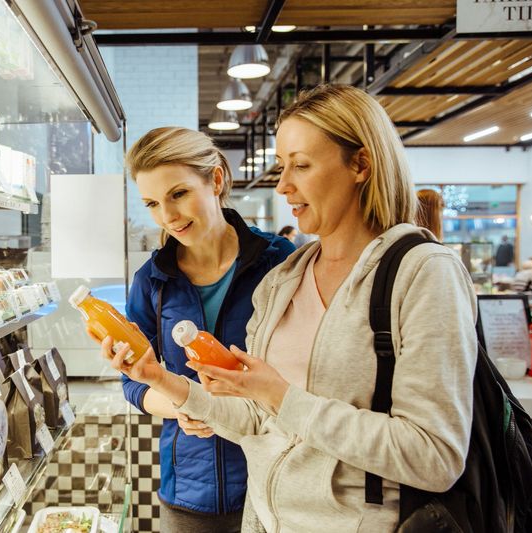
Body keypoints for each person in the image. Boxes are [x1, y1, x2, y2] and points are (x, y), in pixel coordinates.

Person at [101, 86, 477, 531]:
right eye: (282, 166)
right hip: (250, 512)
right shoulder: (288, 277)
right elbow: (258, 418)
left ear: (361, 164)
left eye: (300, 165)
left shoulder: (419, 272)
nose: (282, 185)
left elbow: (434, 456)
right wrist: (161, 380)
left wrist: (280, 395)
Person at [114, 127, 295, 532]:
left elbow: (308, 369)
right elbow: (133, 384)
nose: (168, 216)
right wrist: (182, 405)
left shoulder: (279, 262)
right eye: (152, 203)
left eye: (178, 194)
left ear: (215, 180)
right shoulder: (152, 281)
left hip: (274, 476)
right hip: (189, 489)